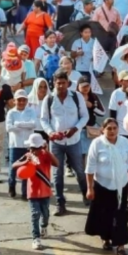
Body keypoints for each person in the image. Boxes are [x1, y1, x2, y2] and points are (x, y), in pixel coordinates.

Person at [40, 69, 90, 216]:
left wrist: (76, 128)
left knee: (80, 171)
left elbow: (84, 116)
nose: (61, 86)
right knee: (57, 174)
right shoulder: (48, 99)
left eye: (63, 83)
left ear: (68, 83)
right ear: (54, 83)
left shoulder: (77, 96)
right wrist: (50, 133)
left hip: (74, 140)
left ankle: (87, 196)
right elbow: (43, 120)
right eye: (58, 83)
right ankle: (60, 203)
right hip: (56, 143)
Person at [85, 118, 128, 255]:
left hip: (121, 185)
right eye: (109, 128)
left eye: (114, 128)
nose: (112, 131)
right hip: (102, 185)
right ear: (103, 130)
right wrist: (90, 188)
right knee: (104, 214)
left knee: (120, 216)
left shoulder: (124, 142)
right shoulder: (97, 143)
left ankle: (121, 246)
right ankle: (106, 239)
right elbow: (90, 168)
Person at [12, 133, 59, 251]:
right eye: (31, 148)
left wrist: (47, 151)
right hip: (32, 192)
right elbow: (14, 165)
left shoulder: (46, 155)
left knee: (45, 214)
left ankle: (44, 226)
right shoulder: (27, 155)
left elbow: (56, 163)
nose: (32, 150)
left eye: (35, 148)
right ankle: (36, 238)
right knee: (35, 214)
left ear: (41, 147)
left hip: (45, 191)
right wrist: (24, 162)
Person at [6, 89, 39, 199]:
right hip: (15, 145)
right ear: (15, 101)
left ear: (26, 101)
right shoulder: (11, 112)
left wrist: (18, 124)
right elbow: (9, 127)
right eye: (19, 100)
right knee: (13, 168)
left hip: (28, 146)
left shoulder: (31, 111)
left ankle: (25, 192)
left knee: (27, 168)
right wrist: (25, 125)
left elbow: (34, 125)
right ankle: (11, 186)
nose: (21, 102)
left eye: (23, 100)